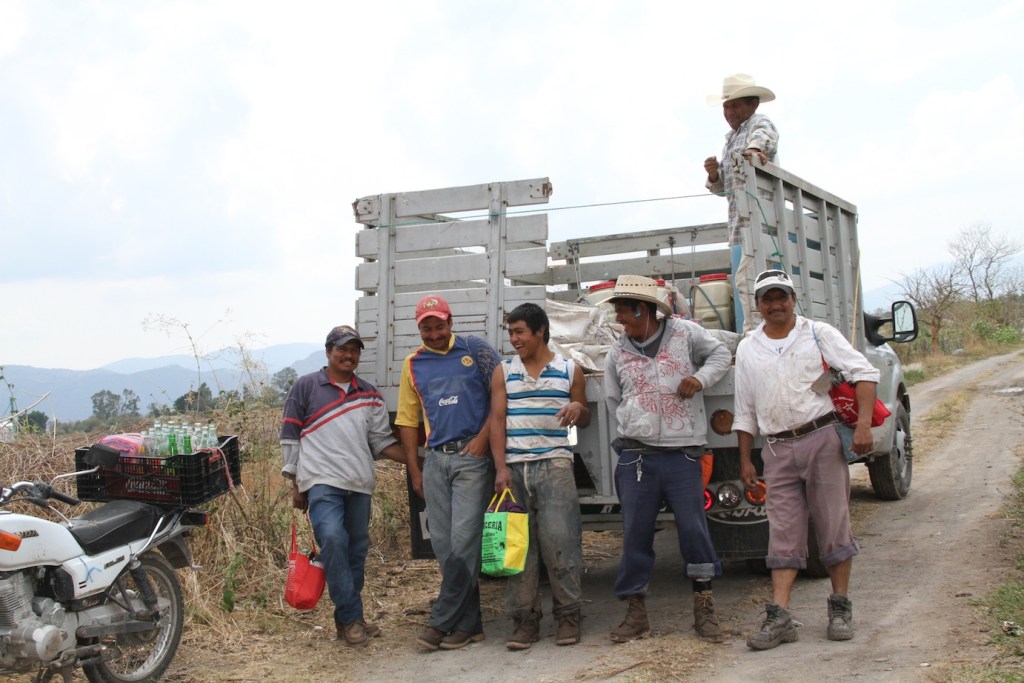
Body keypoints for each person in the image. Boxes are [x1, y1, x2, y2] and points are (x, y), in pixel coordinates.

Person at [733, 269, 880, 650]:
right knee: (782, 531)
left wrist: (864, 426)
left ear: (793, 299)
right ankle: (780, 617)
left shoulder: (817, 333)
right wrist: (746, 460)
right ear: (757, 305)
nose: (775, 304)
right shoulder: (748, 348)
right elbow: (744, 410)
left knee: (834, 525)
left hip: (821, 439)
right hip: (777, 448)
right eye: (767, 298)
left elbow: (865, 373)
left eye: (781, 296)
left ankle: (840, 608)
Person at [603, 275, 732, 643]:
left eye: (624, 311)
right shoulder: (617, 352)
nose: (619, 319)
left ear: (643, 310)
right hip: (636, 456)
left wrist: (700, 379)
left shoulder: (685, 334)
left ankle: (704, 607)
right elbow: (614, 400)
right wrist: (636, 425)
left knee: (693, 530)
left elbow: (721, 355)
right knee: (635, 534)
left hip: (682, 453)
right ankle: (635, 612)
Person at [280, 325, 407, 647]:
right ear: (328, 352)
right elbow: (290, 437)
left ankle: (349, 619)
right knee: (334, 541)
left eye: (354, 350)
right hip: (321, 482)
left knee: (355, 552)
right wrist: (296, 483)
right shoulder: (306, 386)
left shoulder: (369, 395)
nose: (348, 355)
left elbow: (381, 442)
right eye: (342, 349)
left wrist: (419, 460)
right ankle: (351, 619)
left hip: (360, 483)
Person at [395, 294, 504, 652]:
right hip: (435, 462)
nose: (434, 334)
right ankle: (470, 625)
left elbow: (500, 397)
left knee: (463, 542)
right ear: (419, 329)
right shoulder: (413, 364)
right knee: (443, 546)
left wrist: (483, 440)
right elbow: (407, 420)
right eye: (426, 328)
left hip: (471, 459)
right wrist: (415, 469)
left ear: (450, 322)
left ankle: (440, 621)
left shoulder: (476, 351)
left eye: (439, 326)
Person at [488, 303, 591, 650]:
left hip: (555, 466)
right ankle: (525, 621)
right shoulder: (503, 371)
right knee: (519, 549)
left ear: (540, 331)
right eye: (511, 333)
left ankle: (568, 615)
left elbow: (585, 417)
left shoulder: (569, 370)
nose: (514, 339)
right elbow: (497, 422)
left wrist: (578, 408)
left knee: (561, 542)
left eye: (519, 332)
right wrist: (501, 468)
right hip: (514, 470)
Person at [703, 73, 779, 332]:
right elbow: (724, 188)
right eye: (726, 107)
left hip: (758, 221)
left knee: (750, 280)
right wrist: (714, 174)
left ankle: (756, 334)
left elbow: (765, 137)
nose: (729, 112)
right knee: (745, 281)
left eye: (735, 105)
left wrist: (755, 150)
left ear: (752, 104)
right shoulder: (731, 139)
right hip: (739, 224)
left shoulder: (759, 123)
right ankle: (754, 331)